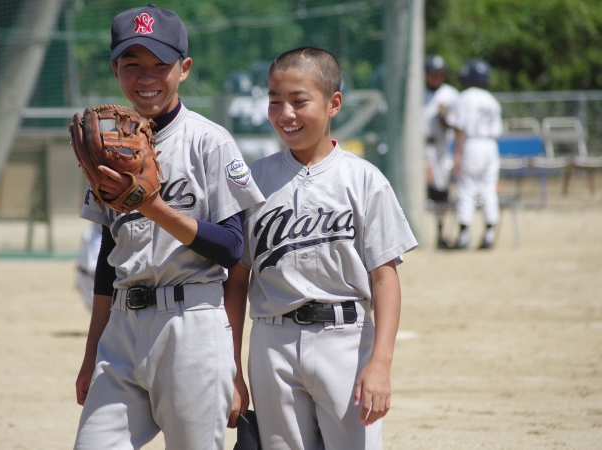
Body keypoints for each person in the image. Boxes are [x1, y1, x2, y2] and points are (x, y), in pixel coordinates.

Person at [72, 4, 265, 450]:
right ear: (115, 69)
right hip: (122, 329)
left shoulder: (208, 141)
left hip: (190, 324)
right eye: (132, 64)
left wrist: (153, 206)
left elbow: (232, 248)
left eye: (160, 64)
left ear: (185, 68)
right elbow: (108, 258)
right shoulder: (105, 145)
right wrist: (91, 351)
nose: (146, 77)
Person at [223, 47, 418, 450]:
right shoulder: (254, 182)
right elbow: (237, 281)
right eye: (275, 102)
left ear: (334, 104)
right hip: (272, 340)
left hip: (345, 339)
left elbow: (385, 278)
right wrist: (233, 369)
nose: (285, 114)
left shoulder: (364, 180)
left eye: (299, 101)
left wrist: (380, 363)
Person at [445, 58, 503, 249]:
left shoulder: (465, 97)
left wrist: (457, 154)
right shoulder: (492, 100)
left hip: (472, 144)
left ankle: (463, 236)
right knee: (489, 188)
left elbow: (460, 127)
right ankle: (489, 234)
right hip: (491, 146)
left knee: (466, 188)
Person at [423, 55, 459, 248]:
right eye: (433, 73)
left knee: (441, 190)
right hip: (420, 146)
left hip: (442, 147)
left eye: (440, 73)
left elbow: (458, 123)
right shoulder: (417, 92)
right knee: (424, 188)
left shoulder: (450, 94)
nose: (436, 77)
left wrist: (446, 118)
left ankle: (441, 233)